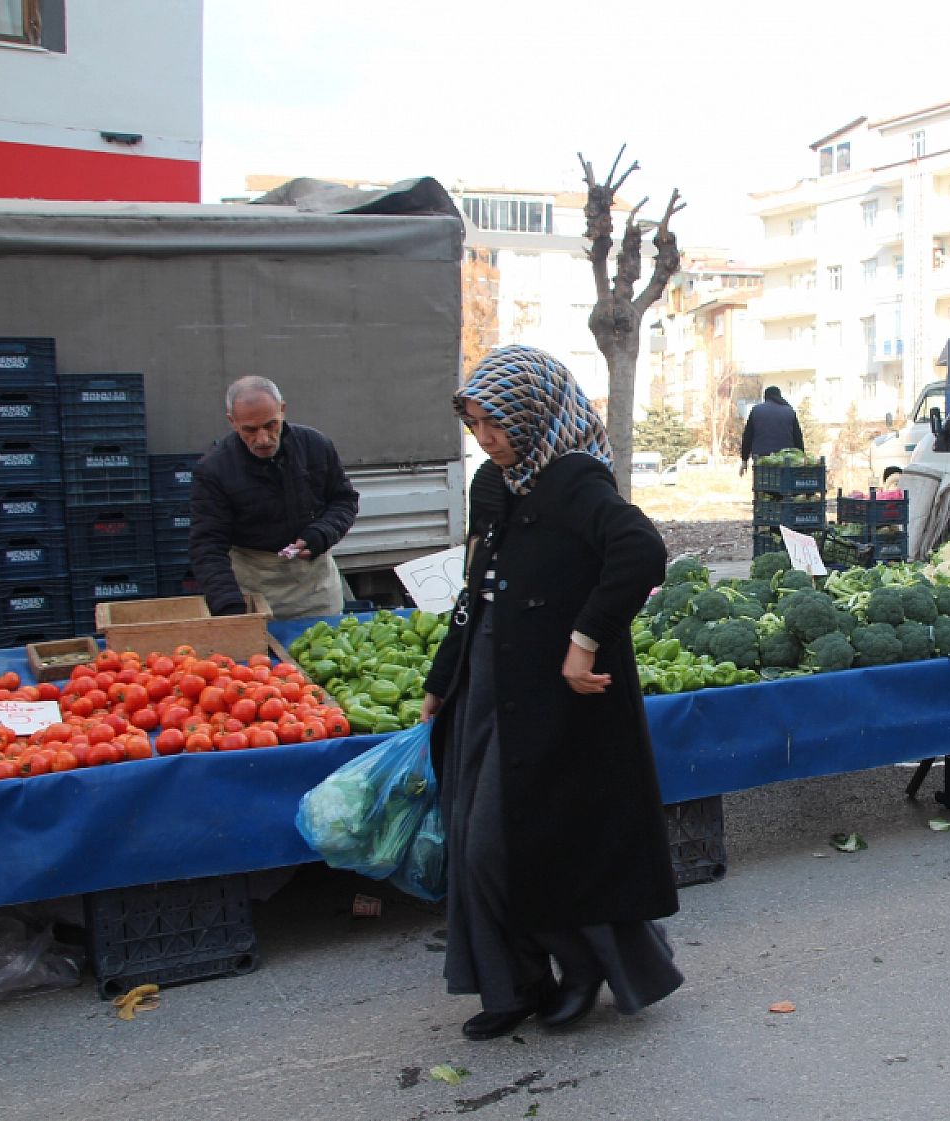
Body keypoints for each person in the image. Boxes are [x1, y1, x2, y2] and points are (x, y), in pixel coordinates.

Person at [422, 345, 681, 1041]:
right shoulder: (493, 484)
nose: (485, 437)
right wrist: (444, 676)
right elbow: (477, 586)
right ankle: (515, 982)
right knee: (475, 838)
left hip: (558, 698)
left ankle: (583, 967)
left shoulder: (574, 480)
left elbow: (641, 552)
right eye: (475, 424)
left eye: (496, 423)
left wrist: (585, 639)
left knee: (518, 842)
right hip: (487, 680)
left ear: (533, 414)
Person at [189, 376, 359, 619]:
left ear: (282, 410)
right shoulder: (214, 469)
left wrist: (322, 533)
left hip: (316, 586)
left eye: (271, 425)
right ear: (233, 422)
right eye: (250, 430)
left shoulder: (315, 446)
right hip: (254, 585)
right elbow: (207, 544)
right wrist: (229, 605)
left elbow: (343, 500)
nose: (263, 439)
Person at [739, 386, 805, 475]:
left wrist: (744, 459)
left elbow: (747, 437)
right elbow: (798, 438)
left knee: (763, 481)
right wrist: (801, 458)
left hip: (762, 460)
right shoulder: (789, 411)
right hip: (785, 460)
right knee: (783, 482)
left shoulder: (756, 410)